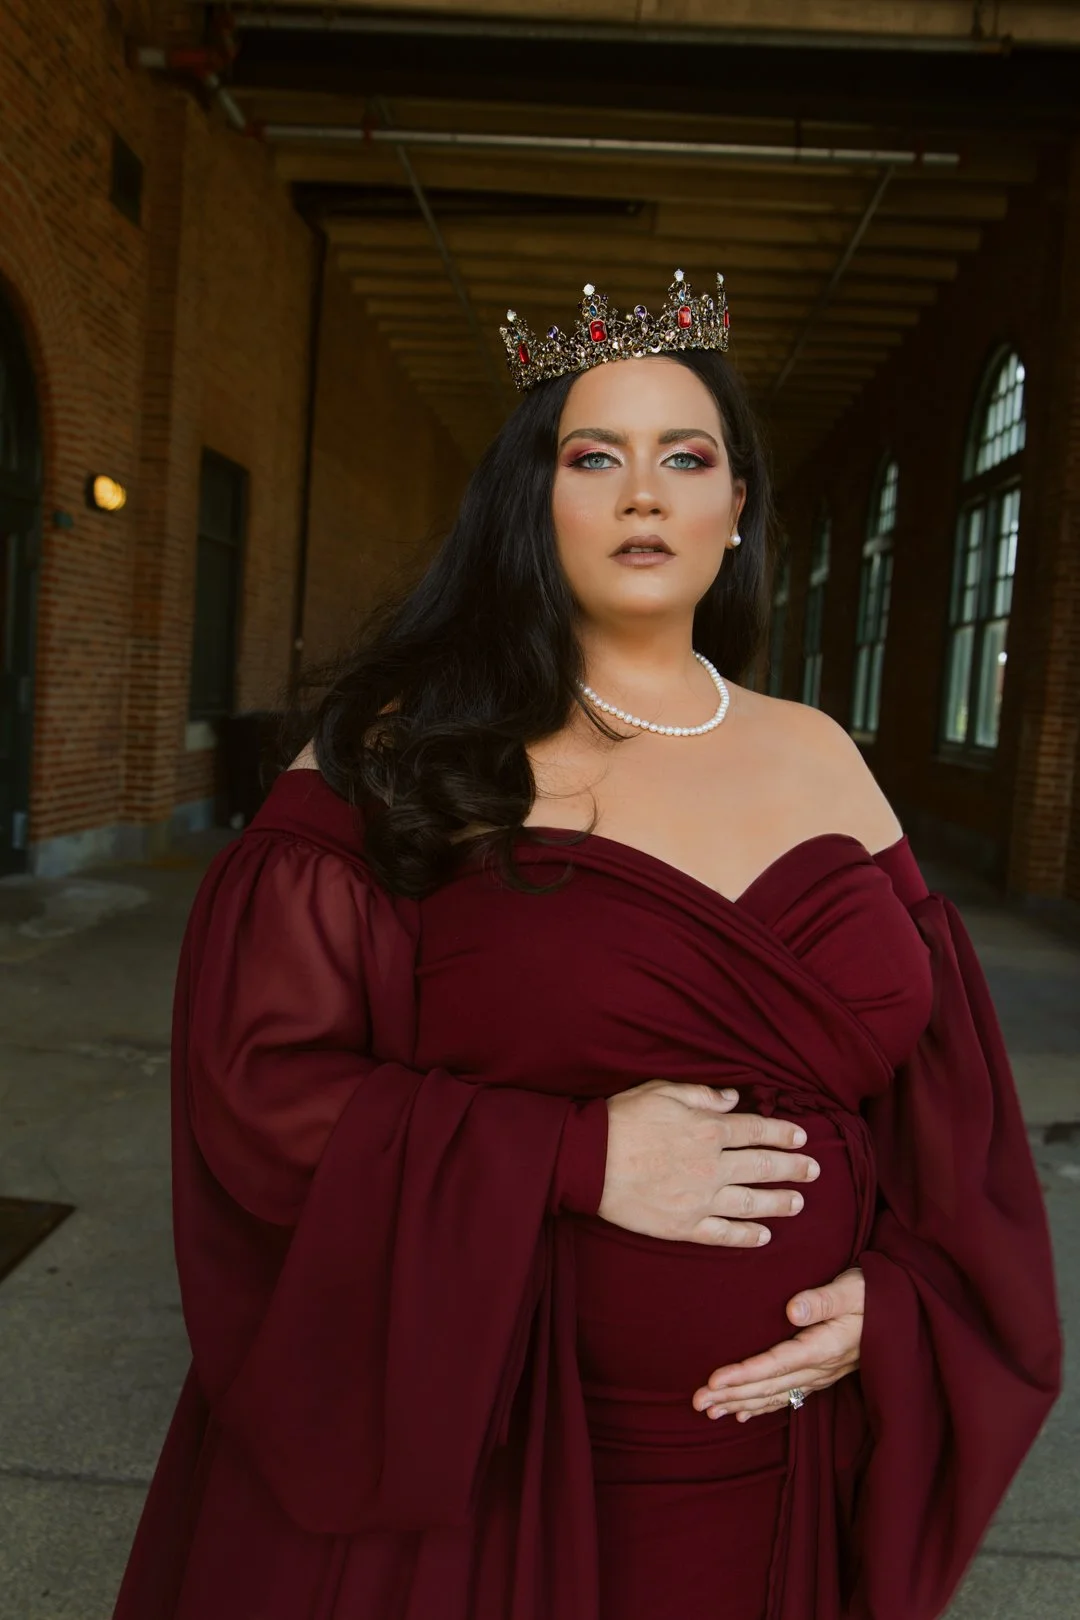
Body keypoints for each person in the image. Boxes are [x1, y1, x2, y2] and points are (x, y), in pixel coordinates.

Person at [113, 273, 1061, 1620]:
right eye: (593, 456)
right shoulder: (401, 748)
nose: (642, 494)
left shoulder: (824, 756)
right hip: (498, 1466)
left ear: (738, 513)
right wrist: (574, 1156)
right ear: (532, 504)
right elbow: (258, 1095)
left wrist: (905, 1304)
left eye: (687, 457)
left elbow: (944, 1109)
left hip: (768, 1471)